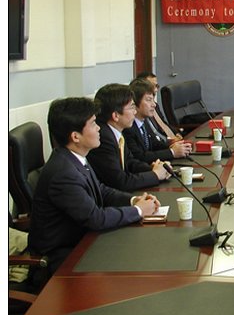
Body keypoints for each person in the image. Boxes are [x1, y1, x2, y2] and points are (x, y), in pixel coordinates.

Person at [28, 97, 160, 278]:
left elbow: (101, 190)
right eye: (93, 124)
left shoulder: (74, 157)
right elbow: (95, 218)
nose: (99, 128)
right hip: (63, 262)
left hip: (84, 243)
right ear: (75, 136)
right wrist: (138, 211)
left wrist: (133, 200)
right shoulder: (63, 173)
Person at [88, 83, 171, 191]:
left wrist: (154, 168)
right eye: (132, 107)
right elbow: (121, 182)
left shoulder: (116, 131)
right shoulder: (103, 138)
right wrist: (155, 175)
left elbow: (130, 162)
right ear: (116, 115)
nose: (135, 112)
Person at [124, 79, 192, 163]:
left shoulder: (144, 121)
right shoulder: (128, 127)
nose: (154, 104)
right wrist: (172, 152)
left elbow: (155, 144)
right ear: (135, 102)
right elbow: (140, 156)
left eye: (153, 100)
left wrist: (174, 146)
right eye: (149, 100)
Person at [135, 71, 183, 140]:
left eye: (156, 86)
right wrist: (169, 142)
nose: (155, 89)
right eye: (151, 86)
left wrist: (175, 133)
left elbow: (163, 123)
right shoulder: (142, 113)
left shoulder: (155, 105)